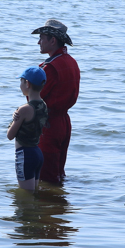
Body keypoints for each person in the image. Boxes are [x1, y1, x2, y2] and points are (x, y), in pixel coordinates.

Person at [30, 19, 80, 184]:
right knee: (58, 172)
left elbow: (35, 98)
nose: (39, 42)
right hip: (64, 121)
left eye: (42, 37)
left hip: (48, 124)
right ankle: (58, 205)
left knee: (46, 177)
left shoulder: (50, 67)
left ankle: (49, 206)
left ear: (53, 40)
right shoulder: (71, 62)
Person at [7, 67, 49, 192]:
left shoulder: (24, 109)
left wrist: (14, 120)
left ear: (27, 83)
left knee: (26, 197)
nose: (20, 85)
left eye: (21, 81)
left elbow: (10, 135)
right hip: (37, 153)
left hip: (25, 155)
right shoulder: (44, 105)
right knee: (34, 193)